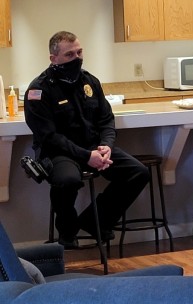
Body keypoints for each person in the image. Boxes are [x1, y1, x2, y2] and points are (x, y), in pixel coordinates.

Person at [24, 31, 149, 249]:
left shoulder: (90, 82)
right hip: (59, 153)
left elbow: (107, 120)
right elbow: (49, 137)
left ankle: (96, 222)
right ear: (54, 59)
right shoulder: (39, 90)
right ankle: (67, 231)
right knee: (67, 181)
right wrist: (86, 156)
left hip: (93, 147)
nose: (77, 58)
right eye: (69, 55)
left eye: (79, 52)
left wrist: (107, 147)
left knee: (138, 172)